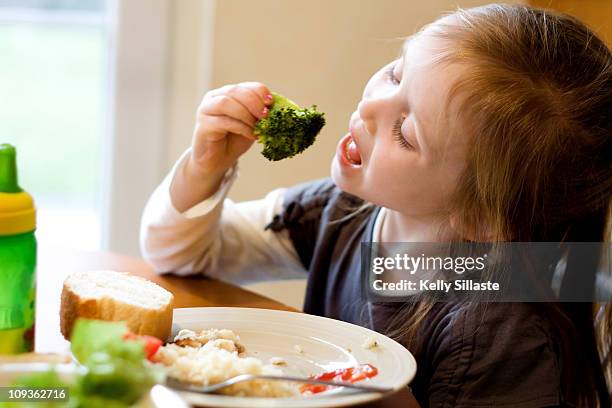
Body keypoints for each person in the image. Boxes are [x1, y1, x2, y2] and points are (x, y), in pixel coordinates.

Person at [140, 4, 611, 407]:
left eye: (406, 133)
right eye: (395, 73)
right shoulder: (343, 211)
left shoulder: (495, 333)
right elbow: (183, 256)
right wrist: (205, 168)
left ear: (480, 217)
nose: (369, 108)